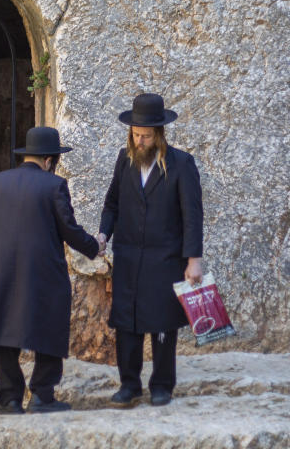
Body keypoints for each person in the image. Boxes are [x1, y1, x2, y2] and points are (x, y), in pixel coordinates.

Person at [0, 126, 106, 414]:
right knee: (48, 326)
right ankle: (42, 395)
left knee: (3, 329)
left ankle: (8, 398)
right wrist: (95, 246)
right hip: (44, 272)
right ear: (49, 160)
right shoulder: (54, 186)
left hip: (2, 271)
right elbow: (69, 231)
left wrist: (2, 252)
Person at [99, 93, 204, 407]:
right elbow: (112, 204)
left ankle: (162, 385)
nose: (139, 140)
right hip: (129, 257)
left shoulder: (182, 164)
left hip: (165, 258)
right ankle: (129, 385)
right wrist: (104, 233)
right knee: (127, 324)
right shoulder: (125, 159)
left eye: (145, 135)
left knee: (162, 325)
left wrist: (193, 259)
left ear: (159, 133)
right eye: (135, 134)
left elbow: (192, 215)